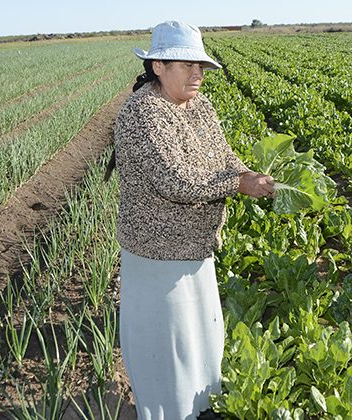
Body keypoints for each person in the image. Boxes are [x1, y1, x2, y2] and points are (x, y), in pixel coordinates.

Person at [111, 21, 275, 420]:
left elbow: (224, 157)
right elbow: (176, 180)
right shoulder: (142, 113)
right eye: (187, 65)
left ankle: (200, 409)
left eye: (200, 66)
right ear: (158, 67)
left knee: (201, 338)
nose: (198, 74)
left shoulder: (200, 107)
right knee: (168, 348)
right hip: (157, 256)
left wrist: (250, 173)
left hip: (196, 249)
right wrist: (238, 183)